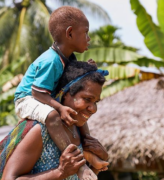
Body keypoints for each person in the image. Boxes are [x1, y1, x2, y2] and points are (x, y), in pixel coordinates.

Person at [0, 61, 109, 180]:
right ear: (65, 94)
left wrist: (99, 162)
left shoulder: (78, 129)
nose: (93, 108)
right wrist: (59, 172)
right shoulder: (42, 131)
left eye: (96, 101)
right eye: (87, 99)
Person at [14, 6, 108, 178]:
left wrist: (89, 69)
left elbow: (74, 79)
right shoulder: (51, 60)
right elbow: (37, 93)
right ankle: (78, 165)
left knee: (78, 116)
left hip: (44, 97)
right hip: (27, 98)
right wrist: (60, 108)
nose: (88, 38)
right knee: (52, 116)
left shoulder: (68, 57)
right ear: (70, 33)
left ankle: (88, 149)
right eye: (85, 33)